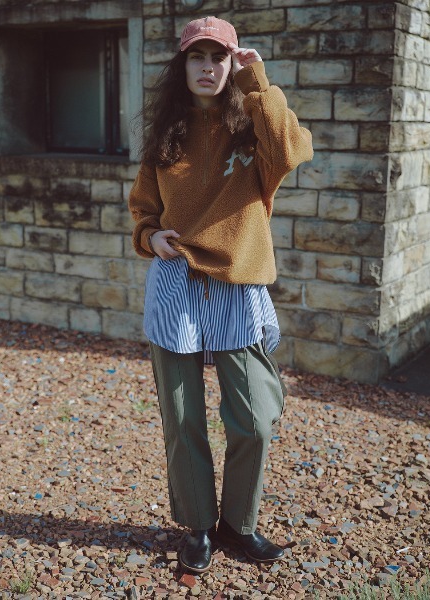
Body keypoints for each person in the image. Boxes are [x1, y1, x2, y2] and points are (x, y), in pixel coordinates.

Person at [129, 16, 313, 573]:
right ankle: (198, 528)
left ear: (233, 63)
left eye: (219, 57)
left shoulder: (254, 129)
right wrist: (149, 236)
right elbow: (143, 208)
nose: (207, 67)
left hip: (239, 285)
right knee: (182, 418)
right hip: (177, 282)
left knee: (255, 418)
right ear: (182, 65)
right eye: (197, 56)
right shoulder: (166, 135)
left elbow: (292, 149)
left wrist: (258, 82)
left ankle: (239, 523)